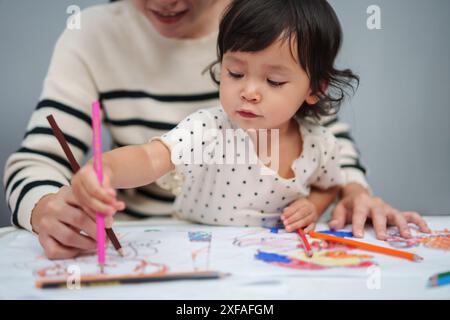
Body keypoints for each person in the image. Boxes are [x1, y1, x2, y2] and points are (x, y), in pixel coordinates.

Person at [3, 0, 429, 259]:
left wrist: (322, 201)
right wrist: (103, 172)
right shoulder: (209, 128)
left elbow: (334, 179)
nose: (249, 93)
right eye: (234, 73)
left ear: (313, 90)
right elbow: (153, 156)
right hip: (184, 251)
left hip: (269, 264)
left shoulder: (317, 141)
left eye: (274, 82)